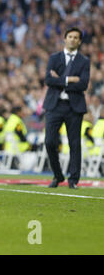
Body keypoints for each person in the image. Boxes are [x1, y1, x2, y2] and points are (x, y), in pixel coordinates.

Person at [43, 27, 90, 189]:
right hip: (54, 105)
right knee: (49, 142)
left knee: (74, 144)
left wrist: (61, 80)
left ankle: (73, 179)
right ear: (65, 39)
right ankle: (58, 175)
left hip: (74, 107)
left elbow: (83, 84)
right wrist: (71, 79)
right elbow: (48, 80)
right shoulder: (54, 58)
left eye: (76, 37)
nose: (72, 39)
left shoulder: (84, 61)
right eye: (70, 36)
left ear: (79, 41)